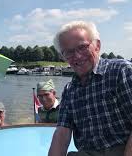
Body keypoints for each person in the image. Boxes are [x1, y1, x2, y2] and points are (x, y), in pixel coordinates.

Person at [48, 21, 132, 156]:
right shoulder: (69, 90)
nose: (77, 56)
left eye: (82, 47)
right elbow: (62, 134)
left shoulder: (121, 71)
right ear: (63, 57)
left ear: (97, 46)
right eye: (68, 52)